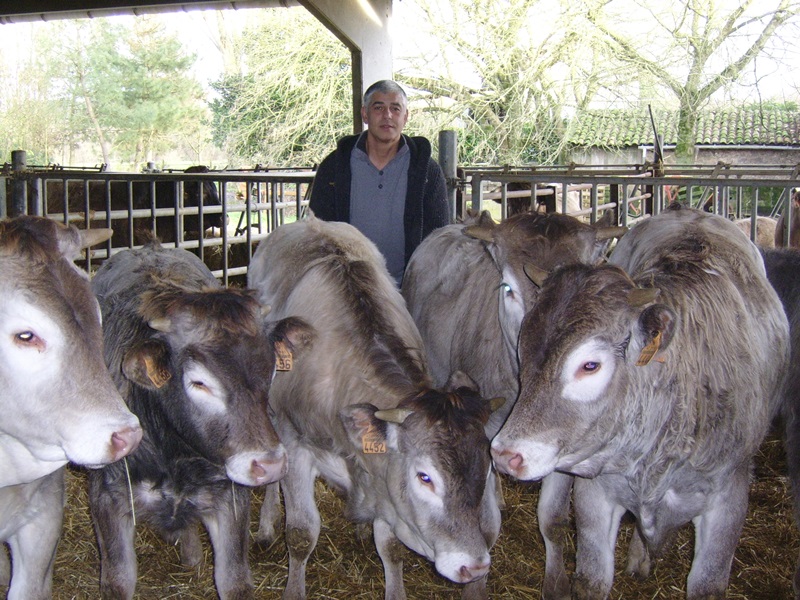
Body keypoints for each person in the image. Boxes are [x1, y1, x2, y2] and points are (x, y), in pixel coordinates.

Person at [309, 79, 450, 285]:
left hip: (409, 289)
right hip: (348, 289)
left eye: (395, 108)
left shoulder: (428, 171)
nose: (387, 115)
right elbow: (318, 231)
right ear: (365, 114)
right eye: (378, 107)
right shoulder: (334, 167)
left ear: (405, 116)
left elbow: (439, 237)